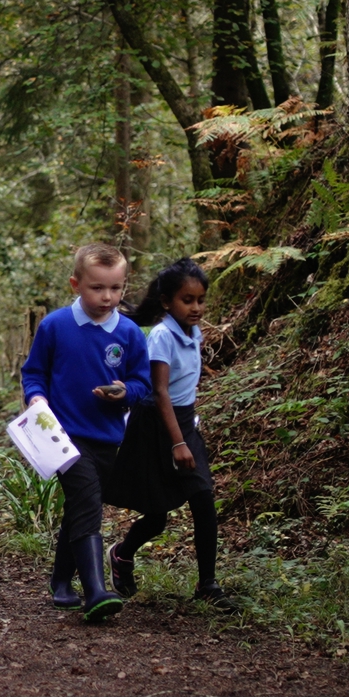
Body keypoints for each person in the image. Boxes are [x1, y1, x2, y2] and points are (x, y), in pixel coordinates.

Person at [20, 243, 148, 622]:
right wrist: (36, 398)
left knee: (81, 506)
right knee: (88, 502)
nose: (107, 297)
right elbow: (34, 372)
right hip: (62, 435)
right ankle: (95, 590)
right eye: (97, 288)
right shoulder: (55, 326)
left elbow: (142, 382)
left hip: (108, 436)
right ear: (76, 284)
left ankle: (61, 581)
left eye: (116, 288)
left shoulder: (129, 333)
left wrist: (125, 391)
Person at [103, 258, 236, 612]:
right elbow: (160, 392)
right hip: (154, 426)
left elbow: (184, 386)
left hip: (182, 420)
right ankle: (122, 554)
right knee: (158, 514)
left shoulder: (194, 332)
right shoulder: (162, 335)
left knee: (203, 498)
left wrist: (190, 423)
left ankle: (207, 583)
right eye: (187, 300)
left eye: (201, 299)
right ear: (166, 302)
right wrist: (178, 441)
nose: (196, 308)